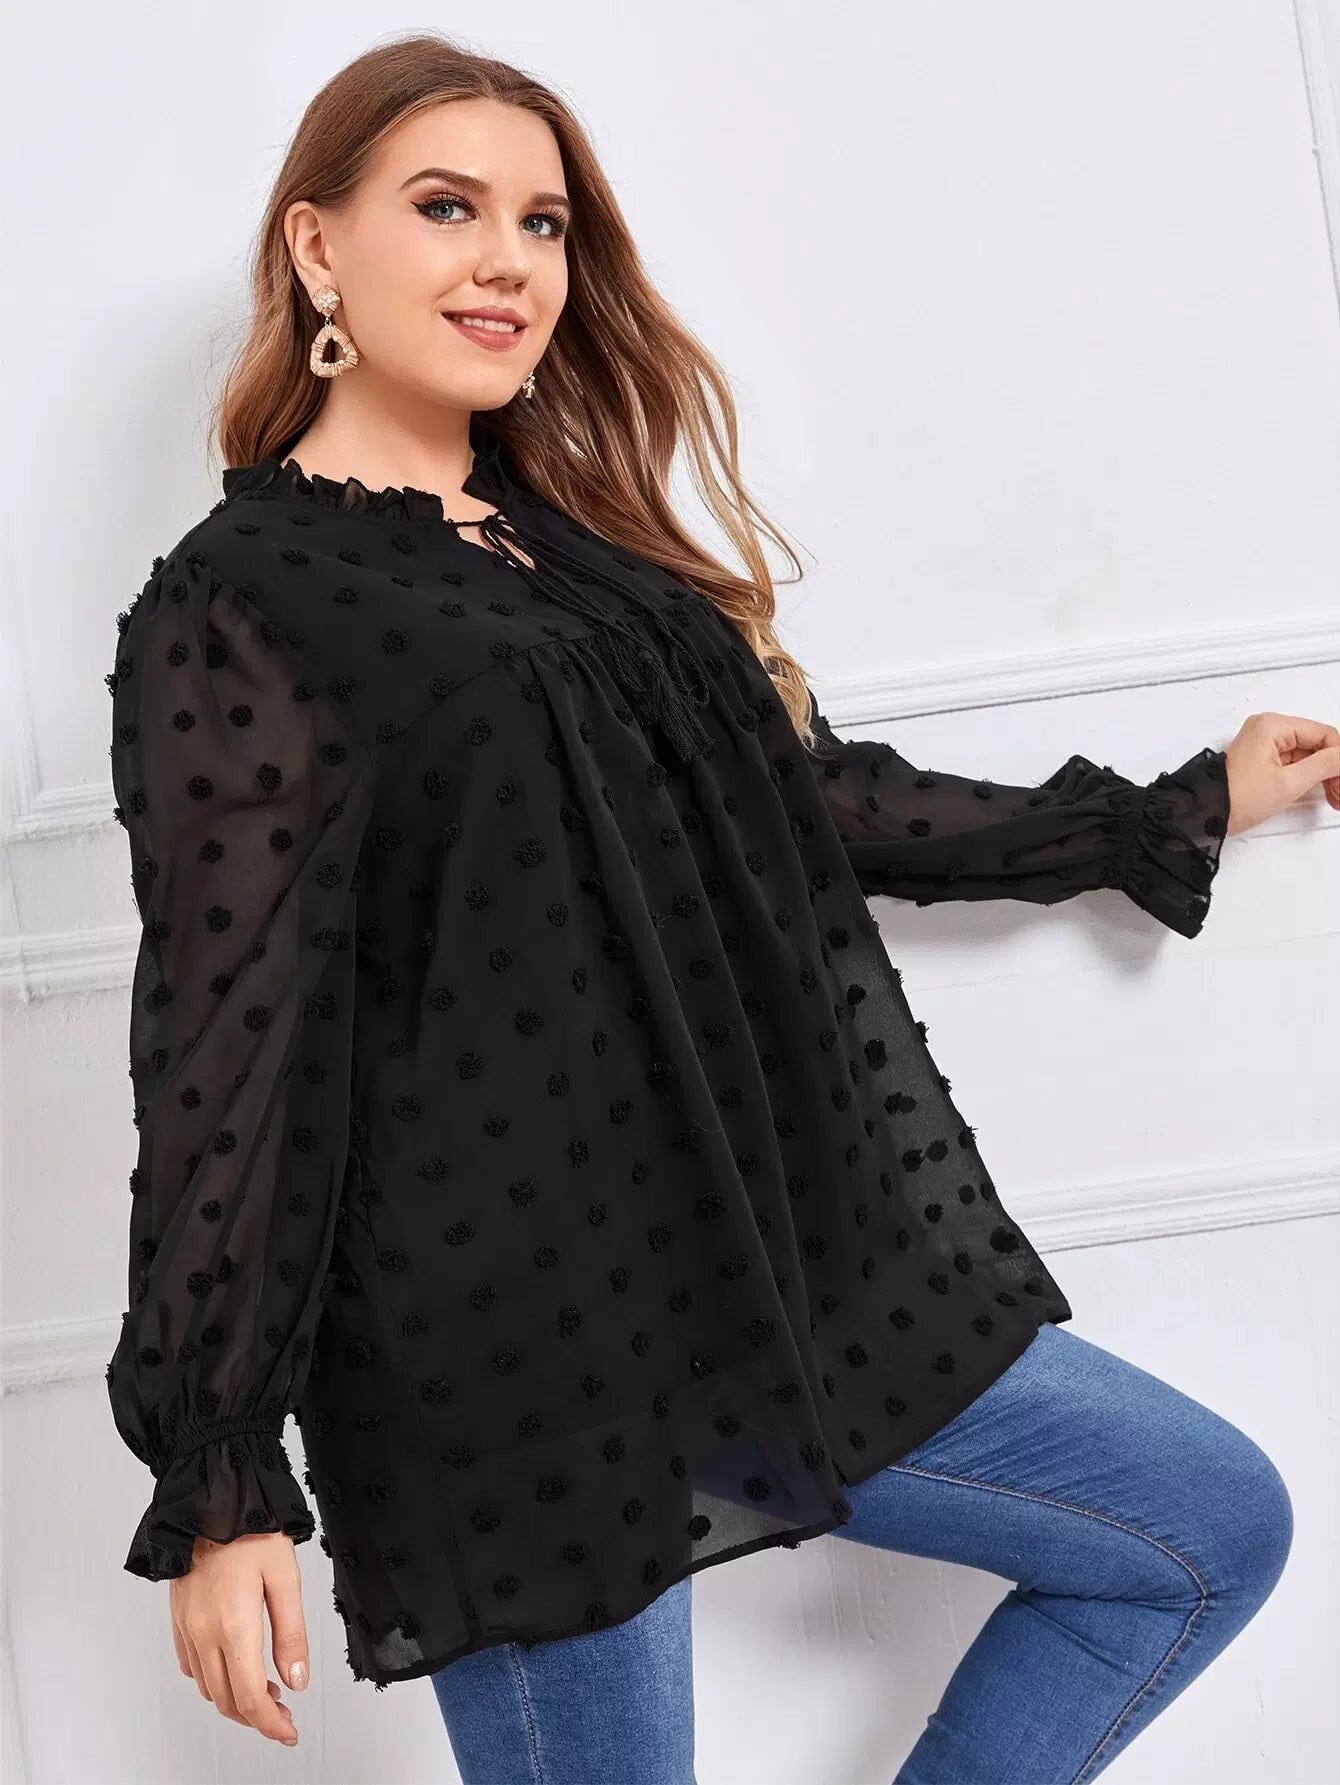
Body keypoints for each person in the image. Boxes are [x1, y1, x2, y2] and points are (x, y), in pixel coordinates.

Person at [103, 32, 1334, 1784]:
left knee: (1203, 1529)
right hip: (509, 1355)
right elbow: (228, 1055)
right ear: (317, 246)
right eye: (446, 207)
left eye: (542, 223)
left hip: (762, 1261)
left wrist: (1178, 805)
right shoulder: (239, 601)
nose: (507, 262)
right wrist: (219, 1475)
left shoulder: (576, 548)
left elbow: (814, 803)